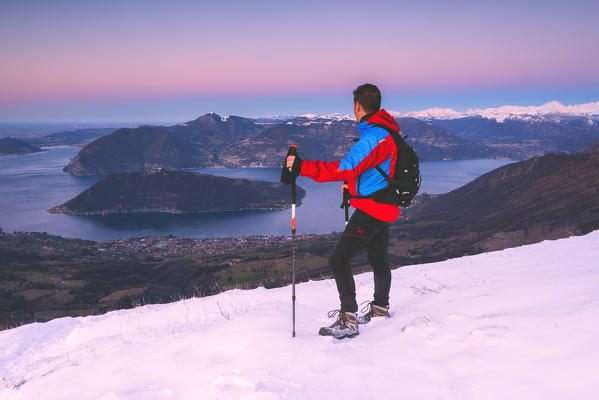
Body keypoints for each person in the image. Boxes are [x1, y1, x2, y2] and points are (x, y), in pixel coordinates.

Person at [286, 83, 401, 339]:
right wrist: (352, 186)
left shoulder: (374, 137)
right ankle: (380, 308)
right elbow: (370, 170)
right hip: (385, 206)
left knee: (338, 259)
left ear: (357, 106)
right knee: (378, 259)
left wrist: (303, 168)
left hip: (373, 209)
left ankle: (348, 319)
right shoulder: (385, 132)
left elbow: (346, 167)